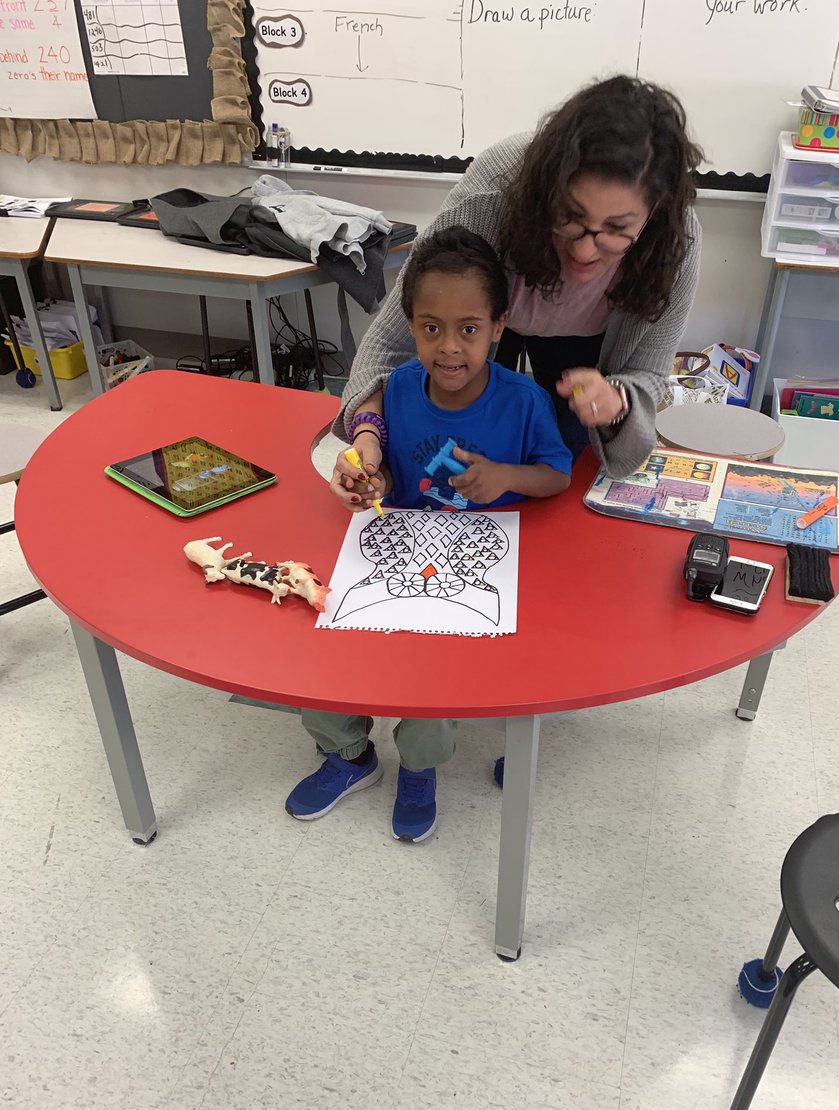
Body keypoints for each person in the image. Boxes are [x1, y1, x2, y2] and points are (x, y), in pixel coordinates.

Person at [287, 227, 571, 842]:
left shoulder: (523, 401)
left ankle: (419, 769)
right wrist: (369, 477)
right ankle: (349, 755)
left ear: (499, 326)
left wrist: (502, 477)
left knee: (431, 691)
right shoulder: (399, 389)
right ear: (410, 325)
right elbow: (383, 456)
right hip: (399, 546)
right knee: (318, 657)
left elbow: (556, 475)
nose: (448, 348)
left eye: (469, 328)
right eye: (430, 327)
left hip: (482, 564)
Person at [330, 74, 703, 511]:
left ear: (654, 211)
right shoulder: (492, 201)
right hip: (481, 321)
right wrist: (369, 434)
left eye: (617, 230)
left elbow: (649, 377)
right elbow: (389, 346)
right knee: (460, 438)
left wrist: (615, 398)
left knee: (559, 461)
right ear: (547, 190)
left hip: (584, 356)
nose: (585, 250)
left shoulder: (673, 249)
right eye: (571, 217)